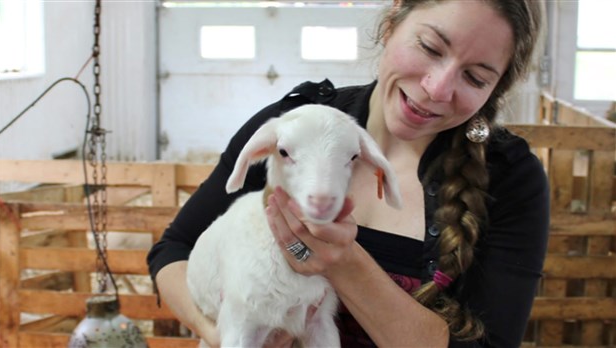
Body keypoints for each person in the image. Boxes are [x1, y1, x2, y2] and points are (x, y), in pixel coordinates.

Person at [147, 0, 549, 346]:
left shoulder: (511, 179)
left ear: (494, 90)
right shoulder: (293, 128)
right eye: (429, 47)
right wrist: (223, 334)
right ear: (392, 22)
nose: (437, 88)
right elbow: (174, 249)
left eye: (475, 77)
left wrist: (343, 262)